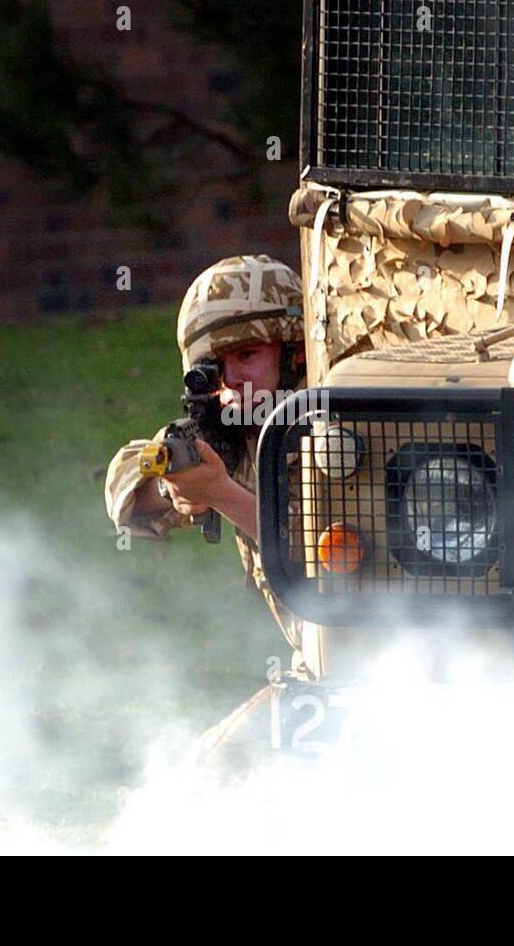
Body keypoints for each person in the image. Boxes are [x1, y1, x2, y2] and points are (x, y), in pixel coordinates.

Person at [103, 254, 307, 763]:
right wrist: (171, 488)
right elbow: (126, 485)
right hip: (318, 674)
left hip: (386, 667)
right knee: (195, 782)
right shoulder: (223, 432)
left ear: (296, 353)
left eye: (247, 355)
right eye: (214, 367)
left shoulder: (334, 430)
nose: (230, 379)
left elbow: (322, 565)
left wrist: (220, 493)